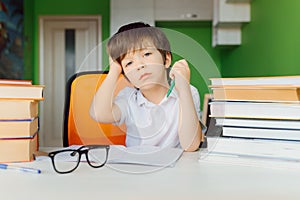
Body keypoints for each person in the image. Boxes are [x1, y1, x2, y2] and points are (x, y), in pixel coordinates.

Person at [90, 22, 205, 152]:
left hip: (176, 169)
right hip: (137, 167)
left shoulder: (188, 92)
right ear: (127, 77)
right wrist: (114, 71)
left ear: (166, 60)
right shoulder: (128, 98)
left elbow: (190, 145)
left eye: (146, 54)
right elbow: (99, 114)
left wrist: (183, 87)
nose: (139, 65)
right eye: (129, 63)